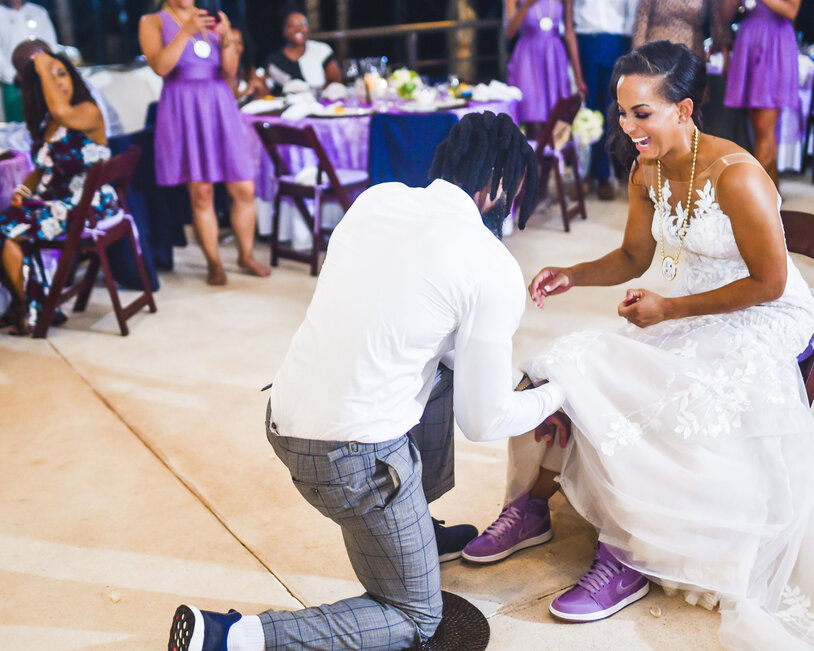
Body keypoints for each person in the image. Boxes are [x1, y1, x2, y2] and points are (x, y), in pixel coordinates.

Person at [462, 41, 814, 646]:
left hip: (764, 312)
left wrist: (671, 308)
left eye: (643, 113)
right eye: (621, 112)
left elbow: (771, 283)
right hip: (696, 303)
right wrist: (574, 273)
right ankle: (532, 506)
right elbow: (637, 256)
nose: (627, 126)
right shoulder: (647, 168)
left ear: (684, 109)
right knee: (574, 363)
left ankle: (630, 554)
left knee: (671, 390)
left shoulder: (736, 176)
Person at [165, 112, 567, 651]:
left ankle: (413, 528)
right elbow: (484, 419)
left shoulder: (377, 199)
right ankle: (234, 637)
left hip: (285, 417)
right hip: (352, 460)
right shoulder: (491, 263)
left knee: (446, 372)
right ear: (497, 184)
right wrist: (558, 391)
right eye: (516, 194)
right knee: (414, 616)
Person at [139, 0, 268, 285]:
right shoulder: (152, 22)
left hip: (220, 103)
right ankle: (214, 263)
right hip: (183, 106)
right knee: (201, 191)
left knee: (244, 188)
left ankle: (245, 254)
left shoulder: (214, 18)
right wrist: (185, 31)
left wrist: (226, 40)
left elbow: (230, 73)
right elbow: (159, 66)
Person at [0, 50, 116, 334]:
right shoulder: (46, 123)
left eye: (61, 73)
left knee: (8, 230)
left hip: (88, 203)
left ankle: (32, 308)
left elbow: (62, 111)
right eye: (49, 79)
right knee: (9, 224)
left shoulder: (86, 111)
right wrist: (25, 189)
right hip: (54, 204)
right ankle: (32, 304)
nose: (58, 82)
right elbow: (41, 166)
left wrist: (42, 68)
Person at [722, 0, 803, 188]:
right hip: (749, 41)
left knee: (764, 128)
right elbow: (724, 16)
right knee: (761, 130)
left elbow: (791, 10)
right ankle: (772, 193)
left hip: (775, 43)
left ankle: (755, 196)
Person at [569, 0, 642, 200]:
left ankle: (604, 174)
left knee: (611, 111)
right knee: (584, 111)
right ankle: (583, 174)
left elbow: (632, 19)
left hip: (616, 43)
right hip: (585, 42)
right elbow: (569, 18)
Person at [504, 0, 586, 125]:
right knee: (530, 111)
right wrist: (526, 5)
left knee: (559, 115)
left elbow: (569, 34)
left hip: (554, 55)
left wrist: (578, 78)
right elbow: (509, 32)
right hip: (528, 58)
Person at [0, 0, 56, 122]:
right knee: (18, 125)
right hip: (12, 83)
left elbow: (51, 44)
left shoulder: (38, 12)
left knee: (48, 121)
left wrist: (47, 67)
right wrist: (13, 76)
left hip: (42, 77)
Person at [631, 0, 732, 60]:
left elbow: (718, 24)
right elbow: (641, 22)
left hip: (691, 53)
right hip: (655, 53)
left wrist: (726, 56)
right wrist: (637, 57)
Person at [264, 8, 342, 93]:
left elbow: (336, 82)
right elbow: (266, 88)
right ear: (284, 31)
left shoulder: (321, 50)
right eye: (292, 26)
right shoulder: (274, 61)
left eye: (302, 25)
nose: (298, 29)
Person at [227, 27, 267, 103]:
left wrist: (260, 87)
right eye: (231, 43)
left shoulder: (246, 67)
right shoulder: (218, 71)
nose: (236, 48)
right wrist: (245, 92)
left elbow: (264, 93)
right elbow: (226, 98)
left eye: (239, 43)